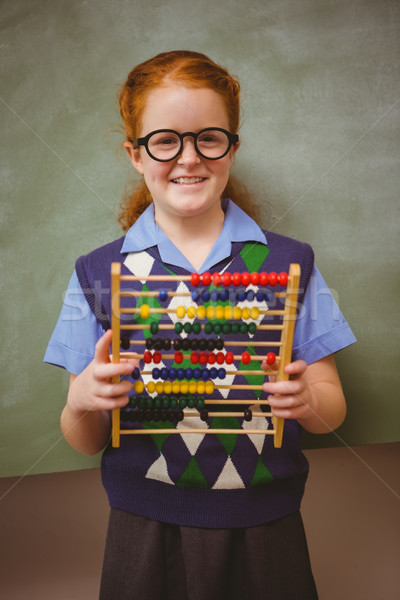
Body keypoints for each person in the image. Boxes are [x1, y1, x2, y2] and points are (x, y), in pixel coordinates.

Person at [44, 50, 356, 600]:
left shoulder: (289, 265)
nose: (188, 158)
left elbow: (331, 410)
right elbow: (83, 440)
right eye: (165, 140)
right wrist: (81, 403)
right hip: (145, 527)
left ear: (232, 148)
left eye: (209, 138)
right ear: (135, 155)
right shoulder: (99, 274)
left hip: (267, 524)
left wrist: (309, 399)